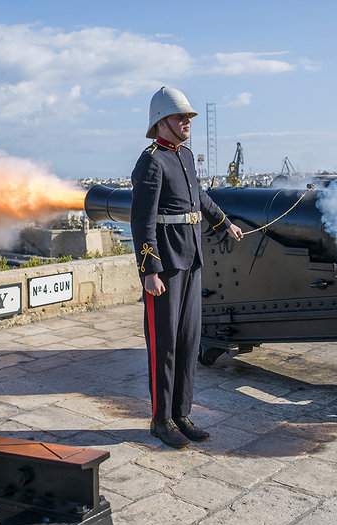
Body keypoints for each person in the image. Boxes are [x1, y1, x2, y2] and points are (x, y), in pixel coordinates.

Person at [131, 86, 243, 448]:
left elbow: (200, 198)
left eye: (189, 117)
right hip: (165, 266)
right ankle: (160, 420)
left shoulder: (186, 156)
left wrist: (224, 223)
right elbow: (142, 221)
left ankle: (181, 414)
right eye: (181, 117)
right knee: (164, 345)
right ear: (162, 121)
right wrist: (149, 270)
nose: (187, 122)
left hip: (191, 259)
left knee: (188, 341)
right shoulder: (151, 161)